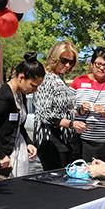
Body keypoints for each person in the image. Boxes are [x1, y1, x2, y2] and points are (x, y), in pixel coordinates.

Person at [0, 52, 45, 177]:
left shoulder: (21, 94)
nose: (35, 90)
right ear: (21, 77)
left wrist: (29, 142)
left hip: (17, 155)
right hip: (3, 160)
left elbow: (18, 125)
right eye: (33, 85)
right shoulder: (4, 99)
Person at [34, 42, 87, 171]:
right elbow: (44, 114)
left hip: (63, 139)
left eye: (71, 62)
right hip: (50, 140)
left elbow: (63, 111)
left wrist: (79, 111)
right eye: (64, 61)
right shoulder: (45, 78)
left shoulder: (59, 78)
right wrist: (70, 124)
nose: (68, 65)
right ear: (55, 58)